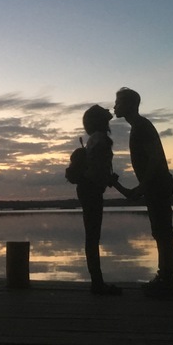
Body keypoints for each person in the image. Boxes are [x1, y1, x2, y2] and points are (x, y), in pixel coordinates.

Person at [113, 87, 173, 299]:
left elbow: (155, 159)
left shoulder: (142, 126)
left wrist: (142, 187)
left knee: (163, 233)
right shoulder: (139, 127)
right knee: (161, 232)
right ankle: (165, 278)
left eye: (119, 102)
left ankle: (167, 280)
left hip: (158, 185)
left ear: (131, 105)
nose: (115, 106)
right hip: (155, 185)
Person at [66, 104, 121, 295]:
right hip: (91, 191)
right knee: (92, 236)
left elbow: (97, 168)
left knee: (91, 236)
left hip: (87, 189)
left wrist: (107, 179)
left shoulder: (93, 140)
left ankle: (96, 281)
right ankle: (97, 283)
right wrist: (107, 180)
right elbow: (98, 168)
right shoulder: (101, 140)